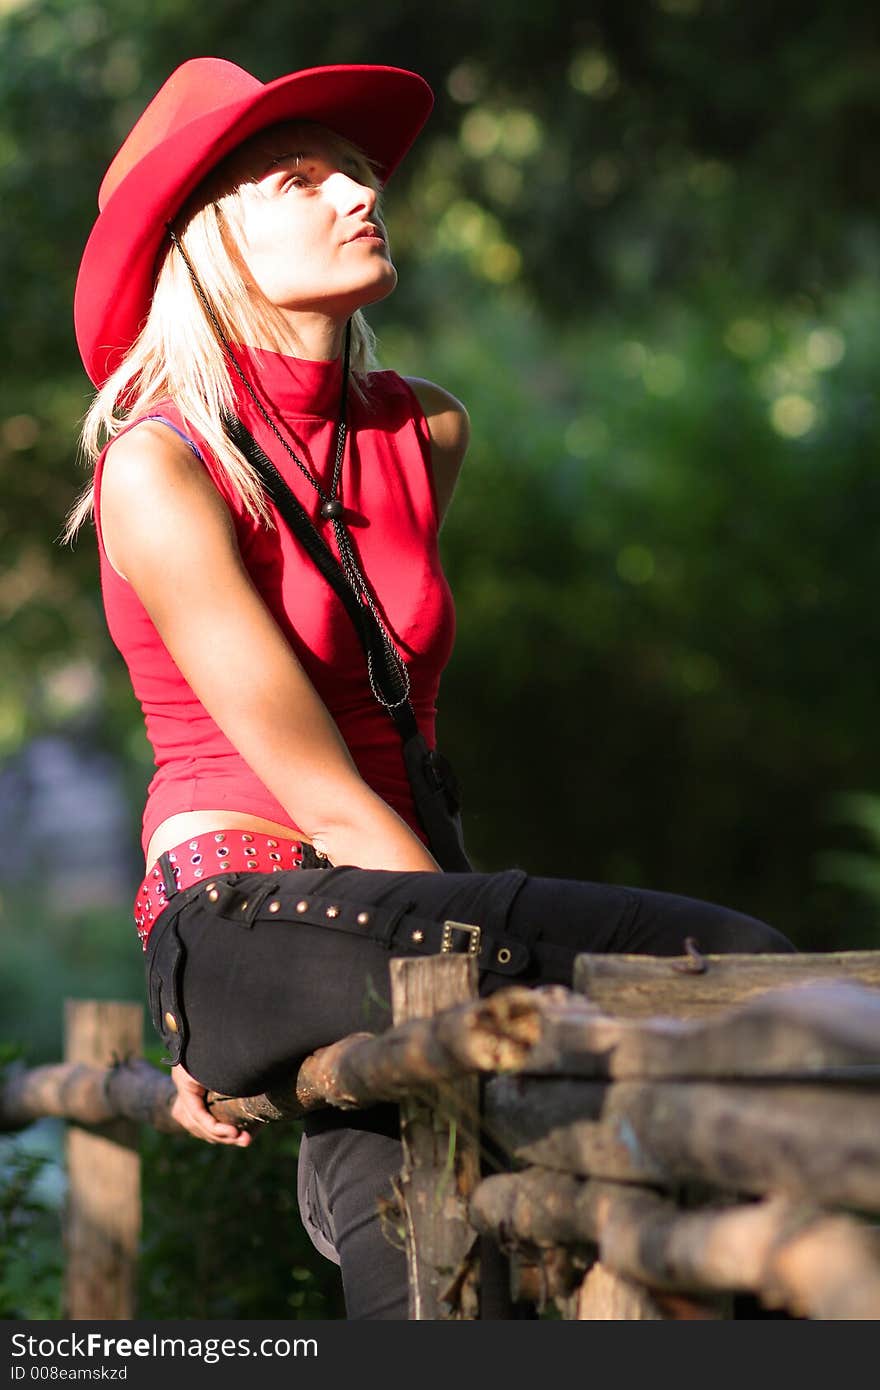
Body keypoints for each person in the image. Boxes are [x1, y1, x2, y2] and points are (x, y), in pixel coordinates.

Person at [68, 57, 794, 1320]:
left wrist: (461, 932)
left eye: (354, 170)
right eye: (301, 179)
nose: (357, 191)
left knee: (428, 1234)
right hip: (254, 912)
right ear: (210, 244)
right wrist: (211, 1006)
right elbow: (323, 795)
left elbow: (396, 716)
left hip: (395, 904)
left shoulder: (426, 433)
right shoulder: (160, 466)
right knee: (749, 969)